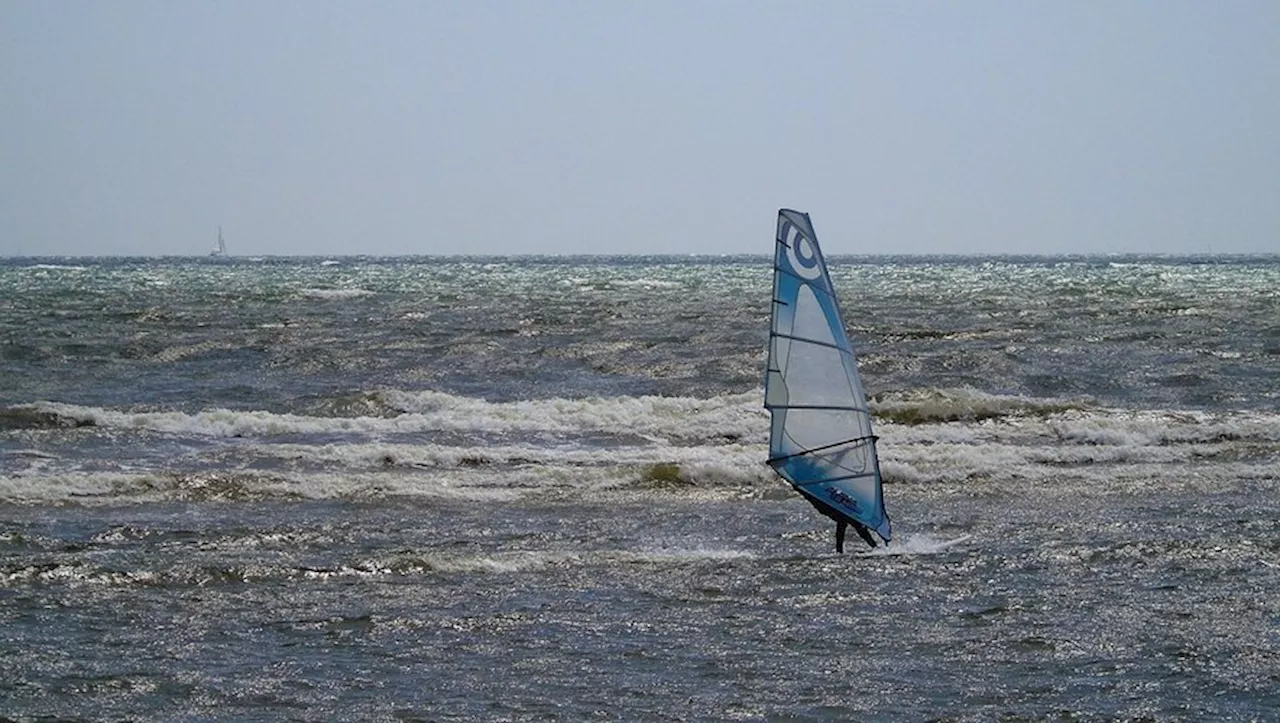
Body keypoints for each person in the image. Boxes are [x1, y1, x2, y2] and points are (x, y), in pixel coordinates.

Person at [802, 494, 878, 553]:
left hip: (827, 499)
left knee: (845, 522)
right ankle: (873, 546)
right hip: (823, 501)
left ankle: (839, 550)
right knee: (847, 522)